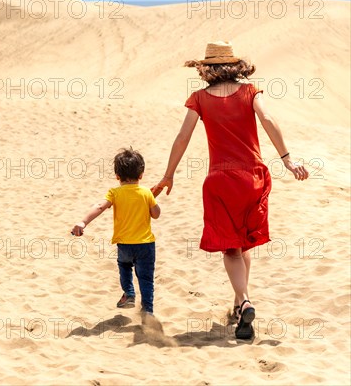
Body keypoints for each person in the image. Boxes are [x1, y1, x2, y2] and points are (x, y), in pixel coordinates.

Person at [152, 41, 308, 339]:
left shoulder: (199, 98)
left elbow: (182, 137)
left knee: (231, 248)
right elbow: (268, 120)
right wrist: (288, 160)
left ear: (207, 69)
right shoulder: (251, 92)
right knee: (244, 244)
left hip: (220, 182)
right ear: (235, 66)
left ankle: (245, 300)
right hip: (253, 177)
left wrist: (168, 175)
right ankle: (240, 306)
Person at [71, 147, 161, 315]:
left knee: (125, 266)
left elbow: (99, 206)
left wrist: (83, 222)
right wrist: (152, 200)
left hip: (125, 244)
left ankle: (129, 294)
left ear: (117, 176)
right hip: (146, 245)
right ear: (141, 175)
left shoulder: (114, 193)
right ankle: (147, 311)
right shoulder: (146, 192)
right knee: (146, 278)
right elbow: (156, 214)